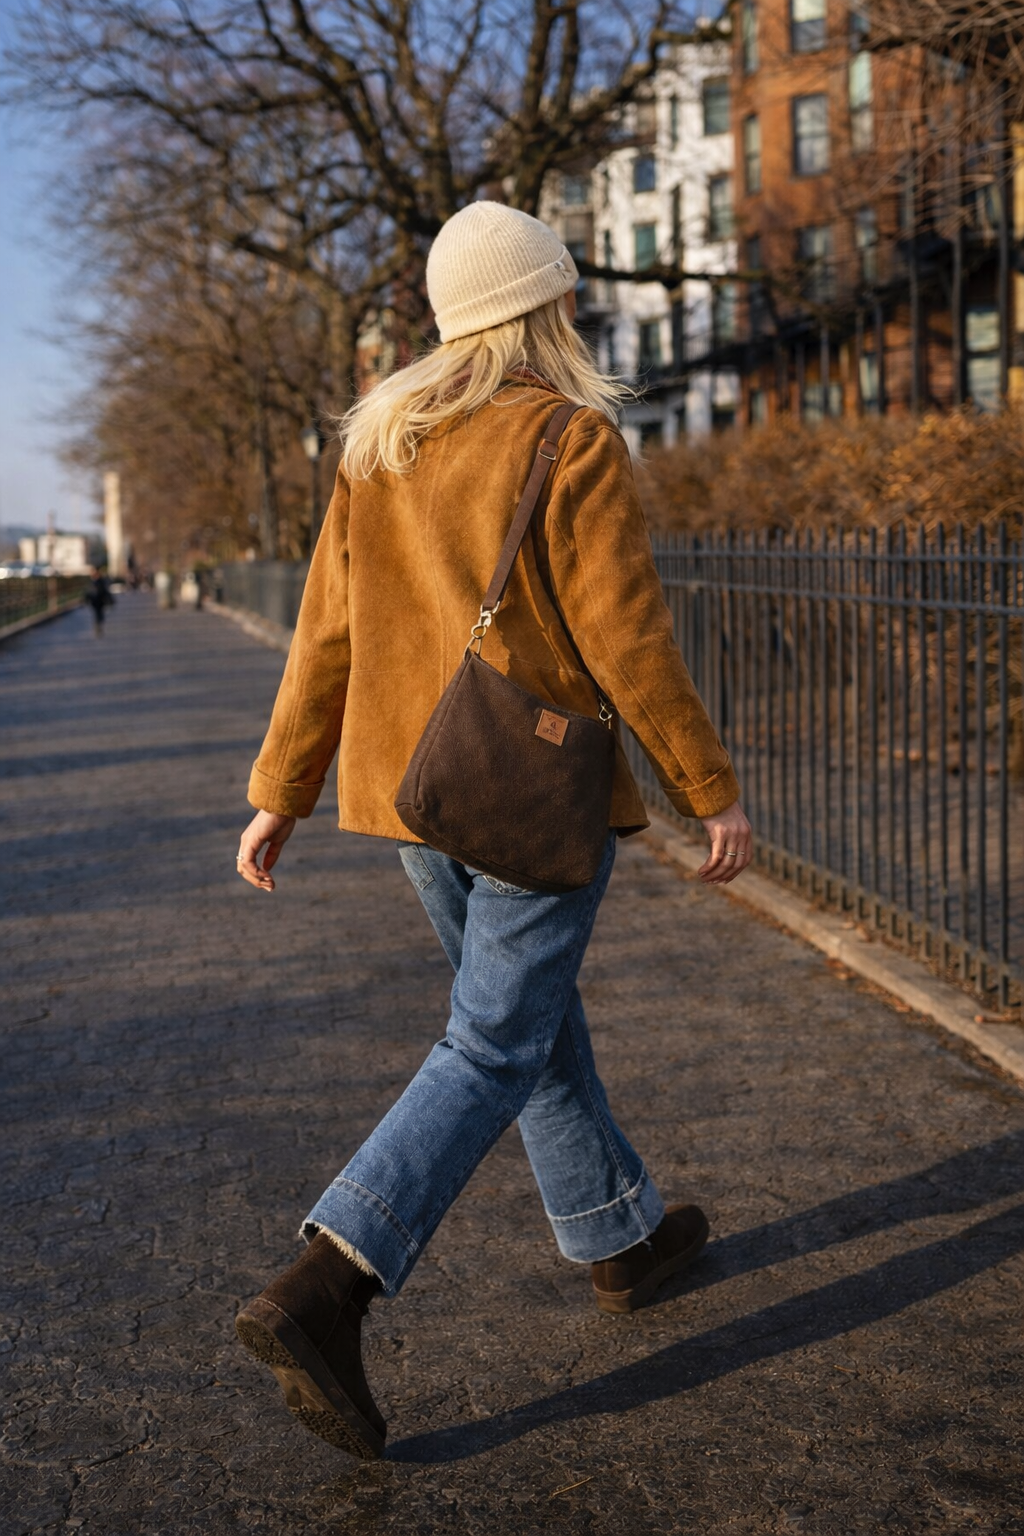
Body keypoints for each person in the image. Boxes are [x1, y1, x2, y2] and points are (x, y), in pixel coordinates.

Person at [234, 202, 753, 1461]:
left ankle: (619, 1237)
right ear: (541, 306)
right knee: (492, 1040)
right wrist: (707, 788)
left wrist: (281, 790)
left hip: (415, 793)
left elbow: (326, 635)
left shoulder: (381, 441)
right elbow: (626, 639)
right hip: (528, 791)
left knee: (524, 1023)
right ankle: (329, 1279)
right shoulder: (567, 436)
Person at [84, 567, 114, 636]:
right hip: (94, 601)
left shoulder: (101, 581)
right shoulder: (91, 582)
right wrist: (86, 599)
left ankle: (99, 626)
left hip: (100, 601)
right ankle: (98, 626)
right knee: (97, 614)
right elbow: (88, 592)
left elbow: (105, 591)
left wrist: (109, 600)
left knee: (100, 614)